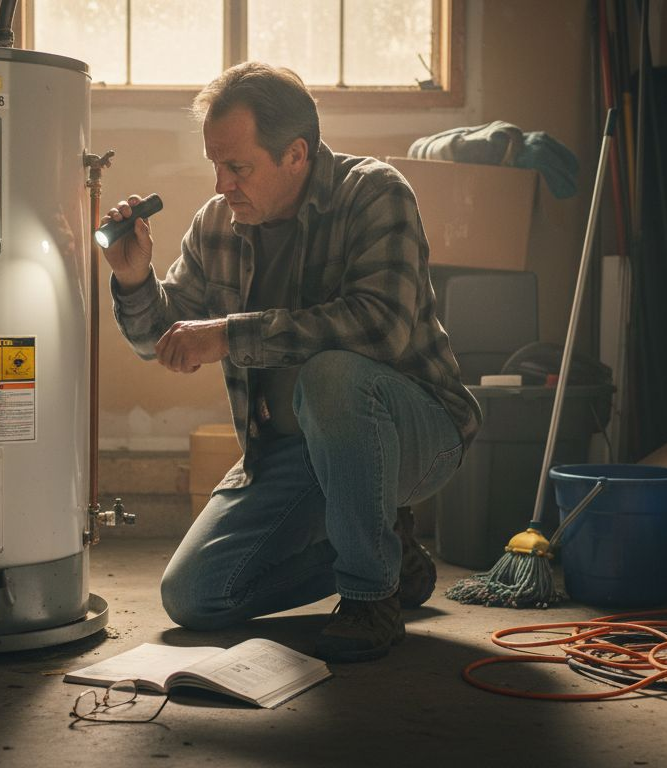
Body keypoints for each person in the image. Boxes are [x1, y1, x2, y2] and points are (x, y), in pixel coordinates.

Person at [101, 62, 482, 663]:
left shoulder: (375, 194)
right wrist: (133, 276)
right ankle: (385, 553)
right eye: (215, 165)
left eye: (238, 167)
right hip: (287, 450)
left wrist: (230, 334)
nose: (222, 183)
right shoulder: (217, 223)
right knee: (194, 597)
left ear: (297, 154)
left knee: (331, 373)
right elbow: (164, 339)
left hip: (416, 433)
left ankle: (369, 596)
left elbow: (378, 327)